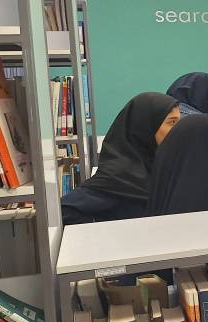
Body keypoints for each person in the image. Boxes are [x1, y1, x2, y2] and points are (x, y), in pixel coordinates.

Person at [61, 93, 179, 225]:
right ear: (146, 126)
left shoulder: (160, 166)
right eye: (172, 122)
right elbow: (66, 210)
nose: (178, 129)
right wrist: (105, 232)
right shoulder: (120, 174)